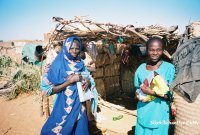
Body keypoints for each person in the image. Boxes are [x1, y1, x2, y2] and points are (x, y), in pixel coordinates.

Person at [40, 36, 90, 135]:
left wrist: (87, 81)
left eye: (77, 48)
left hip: (79, 105)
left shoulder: (80, 63)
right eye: (71, 48)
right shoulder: (56, 65)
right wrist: (68, 82)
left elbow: (86, 76)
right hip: (63, 106)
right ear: (66, 48)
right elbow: (46, 90)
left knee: (80, 131)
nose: (75, 51)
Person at [134, 37, 175, 135]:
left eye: (158, 50)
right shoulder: (140, 69)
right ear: (147, 50)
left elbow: (171, 97)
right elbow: (136, 89)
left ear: (163, 51)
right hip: (143, 112)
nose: (155, 53)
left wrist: (152, 93)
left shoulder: (169, 68)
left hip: (159, 115)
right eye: (151, 50)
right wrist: (137, 94)